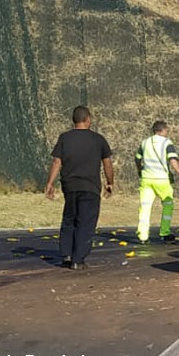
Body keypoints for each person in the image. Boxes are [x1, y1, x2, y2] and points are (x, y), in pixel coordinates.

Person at [44, 105, 114, 270]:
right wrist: (110, 182)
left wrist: (50, 183)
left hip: (70, 185)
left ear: (74, 120)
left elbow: (57, 161)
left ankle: (66, 254)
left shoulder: (65, 138)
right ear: (88, 119)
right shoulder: (98, 139)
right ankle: (78, 259)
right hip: (90, 186)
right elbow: (107, 163)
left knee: (70, 219)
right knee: (86, 221)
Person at [135, 120, 179, 243]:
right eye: (167, 130)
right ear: (162, 130)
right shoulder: (167, 142)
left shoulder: (145, 142)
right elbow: (172, 159)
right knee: (168, 204)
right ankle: (165, 232)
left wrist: (140, 170)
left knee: (145, 207)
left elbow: (137, 158)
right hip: (162, 179)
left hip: (146, 179)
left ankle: (143, 235)